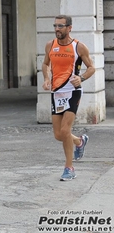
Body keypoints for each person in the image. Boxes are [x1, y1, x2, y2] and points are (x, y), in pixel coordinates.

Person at [42, 15, 95, 181]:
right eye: (55, 26)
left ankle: (69, 168)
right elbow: (45, 64)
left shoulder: (78, 47)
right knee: (59, 135)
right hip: (57, 93)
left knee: (65, 130)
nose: (57, 29)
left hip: (72, 91)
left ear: (69, 28)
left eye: (61, 26)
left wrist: (82, 78)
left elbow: (91, 67)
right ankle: (79, 142)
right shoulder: (50, 45)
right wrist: (46, 78)